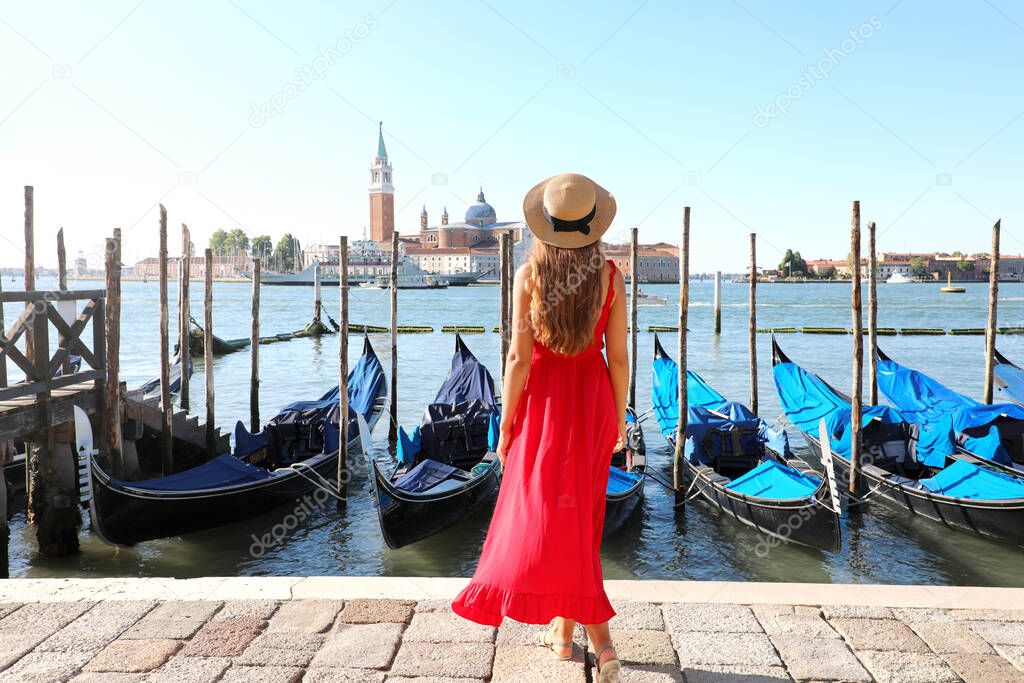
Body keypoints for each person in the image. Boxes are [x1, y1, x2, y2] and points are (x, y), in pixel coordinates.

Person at [452, 173, 628, 682]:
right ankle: (566, 633)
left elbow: (517, 358)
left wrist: (506, 425)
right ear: (592, 226)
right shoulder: (611, 278)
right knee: (580, 519)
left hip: (544, 405)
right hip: (591, 401)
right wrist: (617, 419)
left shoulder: (529, 275)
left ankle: (602, 642)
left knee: (547, 513)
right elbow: (617, 359)